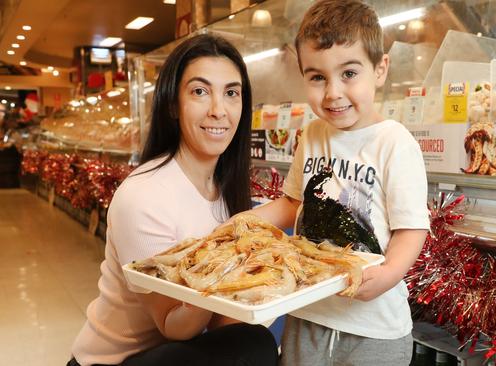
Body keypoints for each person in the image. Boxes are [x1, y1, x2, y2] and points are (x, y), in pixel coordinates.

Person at [68, 34, 278, 366]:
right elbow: (174, 327)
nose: (218, 110)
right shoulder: (144, 196)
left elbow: (221, 321)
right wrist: (221, 265)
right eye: (199, 91)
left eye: (231, 93)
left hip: (173, 355)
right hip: (115, 361)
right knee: (256, 345)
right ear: (172, 106)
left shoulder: (225, 190)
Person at [246, 1, 430, 365]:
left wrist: (390, 274)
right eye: (317, 77)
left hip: (373, 327)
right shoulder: (313, 133)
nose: (332, 93)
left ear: (380, 69)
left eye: (348, 73)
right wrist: (243, 221)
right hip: (306, 311)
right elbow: (293, 203)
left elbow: (412, 228)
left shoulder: (394, 142)